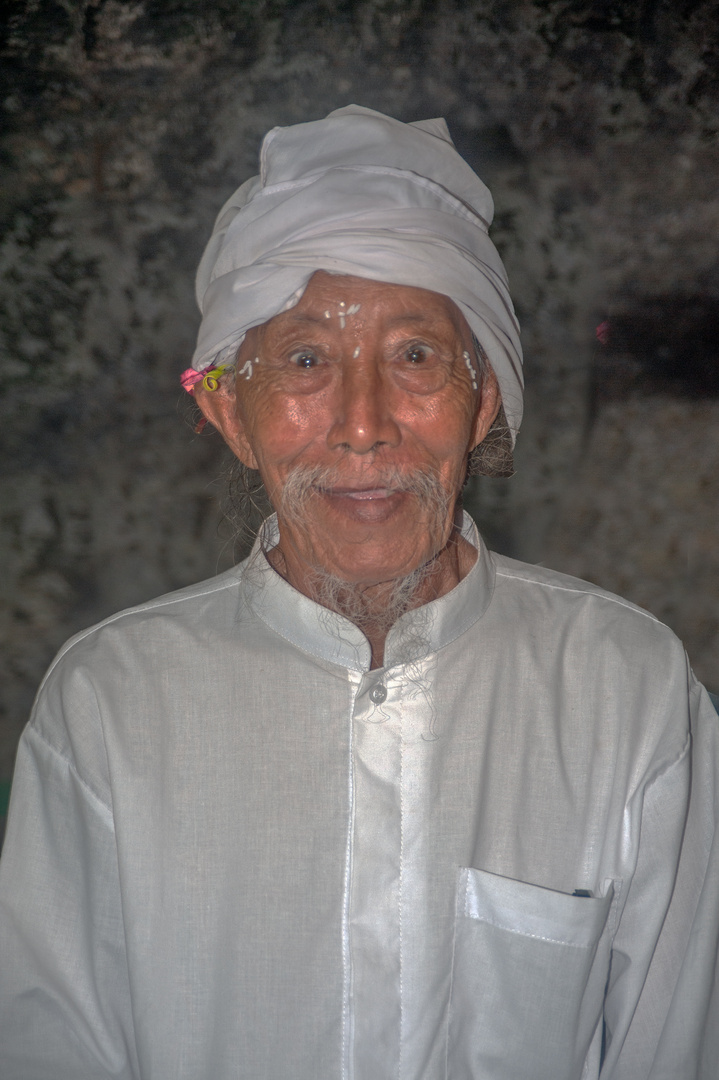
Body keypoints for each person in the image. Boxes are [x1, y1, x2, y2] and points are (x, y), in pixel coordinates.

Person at [0, 106, 717, 1080]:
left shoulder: (625, 695)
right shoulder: (110, 707)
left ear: (483, 399)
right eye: (304, 361)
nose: (363, 424)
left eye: (416, 356)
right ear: (226, 410)